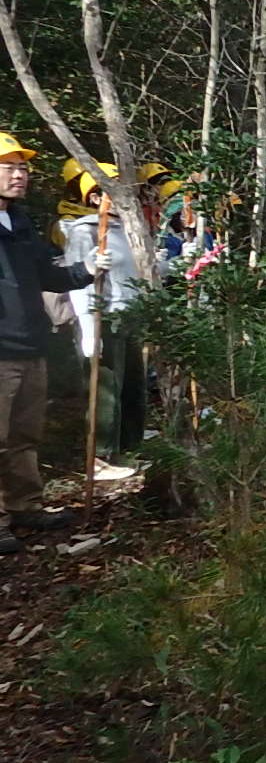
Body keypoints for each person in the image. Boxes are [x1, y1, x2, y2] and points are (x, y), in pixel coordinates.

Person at [0, 132, 103, 552]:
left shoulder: (19, 222)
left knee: (25, 434)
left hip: (30, 346)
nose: (20, 174)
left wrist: (87, 269)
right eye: (9, 167)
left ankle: (25, 505)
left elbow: (48, 274)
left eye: (22, 167)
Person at [62, 164, 160, 478]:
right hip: (103, 317)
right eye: (110, 188)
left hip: (130, 315)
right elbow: (77, 282)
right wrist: (89, 329)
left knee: (133, 386)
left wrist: (179, 262)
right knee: (106, 389)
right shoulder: (85, 229)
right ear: (94, 197)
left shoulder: (132, 229)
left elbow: (144, 272)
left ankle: (129, 449)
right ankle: (99, 457)